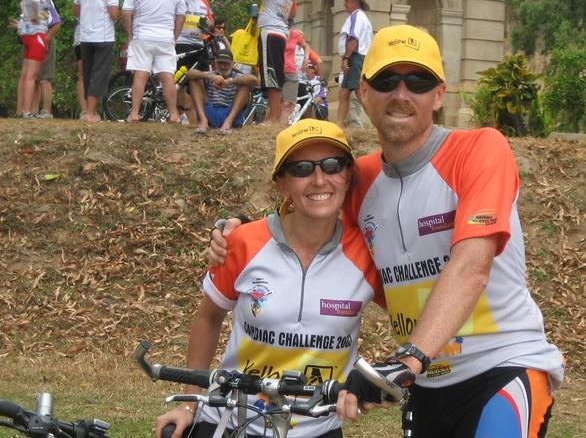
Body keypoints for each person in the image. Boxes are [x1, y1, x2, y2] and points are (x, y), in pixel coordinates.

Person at [209, 25, 564, 438]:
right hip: (426, 382)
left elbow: (471, 267)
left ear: (439, 94)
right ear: (363, 91)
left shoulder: (481, 150)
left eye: (418, 81)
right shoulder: (362, 178)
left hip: (501, 366)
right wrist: (234, 229)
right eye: (386, 81)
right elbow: (306, 204)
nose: (401, 94)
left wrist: (408, 358)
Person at [156, 118, 384, 438]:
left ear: (348, 175)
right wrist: (188, 404)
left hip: (316, 428)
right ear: (282, 183)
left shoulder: (369, 252)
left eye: (332, 165)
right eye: (302, 169)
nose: (319, 180)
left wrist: (385, 375)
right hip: (231, 420)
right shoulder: (242, 242)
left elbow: (412, 316)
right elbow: (209, 318)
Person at [121, 0, 185, 123]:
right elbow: (181, 16)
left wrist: (130, 35)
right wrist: (174, 37)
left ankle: (135, 113)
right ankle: (173, 115)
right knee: (167, 76)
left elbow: (127, 12)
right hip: (165, 37)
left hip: (142, 36)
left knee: (141, 74)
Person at [246, 0, 296, 124]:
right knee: (273, 73)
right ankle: (272, 115)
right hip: (280, 32)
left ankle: (273, 118)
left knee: (271, 74)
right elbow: (293, 11)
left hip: (270, 32)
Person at [73, 0, 119, 123]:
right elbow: (114, 15)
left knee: (87, 73)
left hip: (85, 36)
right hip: (104, 36)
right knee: (99, 74)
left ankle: (87, 110)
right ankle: (91, 113)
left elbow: (76, 11)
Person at [16, 0, 61, 119]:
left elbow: (26, 9)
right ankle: (27, 111)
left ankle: (25, 110)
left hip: (28, 35)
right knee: (32, 75)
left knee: (29, 74)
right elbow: (35, 1)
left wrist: (32, 18)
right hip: (36, 35)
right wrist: (36, 17)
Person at [185, 49, 257, 134]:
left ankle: (228, 123)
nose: (223, 66)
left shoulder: (237, 76)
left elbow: (254, 80)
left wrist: (230, 81)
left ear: (232, 64)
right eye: (220, 63)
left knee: (245, 84)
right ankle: (203, 122)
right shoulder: (210, 74)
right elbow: (189, 74)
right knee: (195, 80)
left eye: (226, 63)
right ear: (215, 63)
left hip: (231, 113)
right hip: (210, 112)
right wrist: (211, 77)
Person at [175, 0, 214, 123]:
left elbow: (211, 20)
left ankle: (202, 116)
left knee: (200, 80)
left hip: (199, 45)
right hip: (182, 43)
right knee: (179, 81)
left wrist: (208, 25)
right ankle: (178, 114)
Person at [336, 0, 372, 128]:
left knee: (358, 91)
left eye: (347, 1)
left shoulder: (356, 16)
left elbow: (353, 39)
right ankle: (338, 125)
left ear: (355, 2)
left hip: (355, 57)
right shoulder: (361, 17)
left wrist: (346, 58)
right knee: (344, 92)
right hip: (356, 57)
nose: (345, 4)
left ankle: (376, 123)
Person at [281, 24, 310, 123]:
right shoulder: (276, 32)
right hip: (277, 71)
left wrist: (306, 59)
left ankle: (282, 128)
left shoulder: (295, 35)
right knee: (275, 103)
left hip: (292, 73)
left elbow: (307, 47)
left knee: (288, 104)